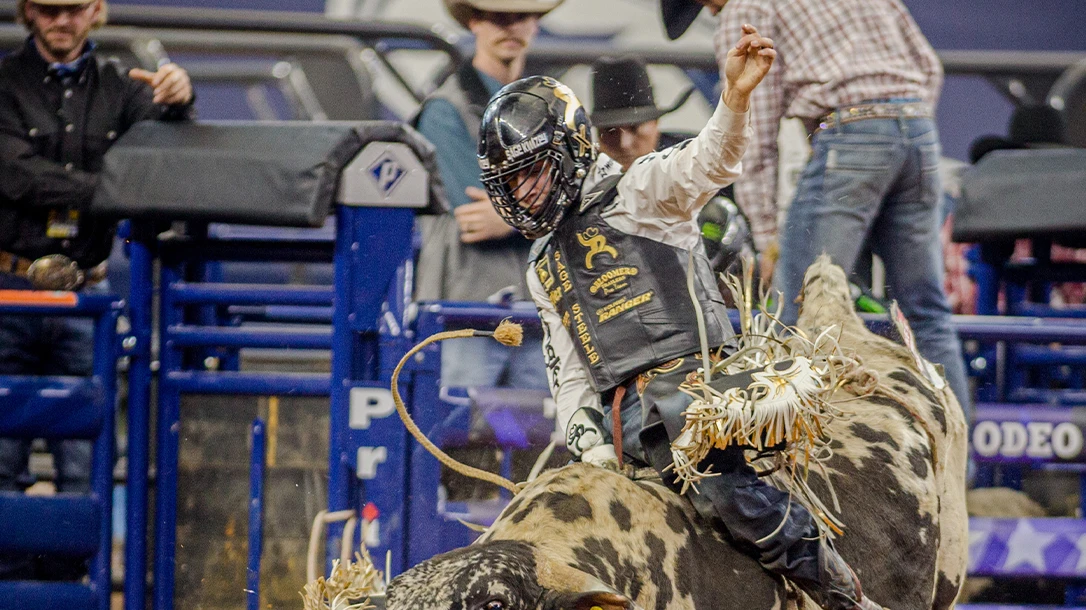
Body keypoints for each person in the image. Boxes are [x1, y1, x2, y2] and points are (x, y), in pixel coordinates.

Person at [478, 24, 884, 610]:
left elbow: (710, 159)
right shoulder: (543, 265)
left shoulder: (643, 189)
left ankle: (843, 592)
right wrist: (592, 452)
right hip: (623, 426)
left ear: (568, 153)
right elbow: (568, 374)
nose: (525, 193)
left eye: (533, 172)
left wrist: (735, 100)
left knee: (730, 496)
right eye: (512, 182)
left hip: (701, 399)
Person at [0, 0, 193, 578]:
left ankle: (69, 580)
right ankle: (14, 584)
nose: (63, 21)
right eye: (50, 9)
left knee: (85, 462)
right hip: (14, 293)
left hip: (82, 296)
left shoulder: (124, 88)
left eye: (73, 8)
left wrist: (181, 100)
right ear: (30, 13)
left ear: (96, 12)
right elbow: (11, 172)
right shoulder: (6, 84)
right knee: (3, 457)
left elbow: (168, 149)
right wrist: (113, 189)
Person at [711, 0, 973, 421]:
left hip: (849, 133)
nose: (709, 13)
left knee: (794, 309)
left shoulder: (743, 9)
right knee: (925, 313)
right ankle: (958, 478)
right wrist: (901, 121)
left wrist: (766, 240)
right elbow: (928, 66)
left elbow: (753, 136)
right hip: (918, 131)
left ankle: (783, 474)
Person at [413, 0, 562, 390]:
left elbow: (569, 195)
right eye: (498, 17)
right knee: (457, 432)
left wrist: (512, 215)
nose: (510, 27)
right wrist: (546, 206)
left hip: (536, 305)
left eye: (521, 16)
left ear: (535, 24)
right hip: (469, 307)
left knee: (542, 439)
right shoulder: (445, 109)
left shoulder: (550, 105)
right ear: (474, 21)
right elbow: (473, 212)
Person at [590, 53, 758, 293]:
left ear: (655, 124)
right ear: (597, 136)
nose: (625, 142)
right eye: (610, 131)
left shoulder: (693, 161)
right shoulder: (582, 183)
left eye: (634, 128)